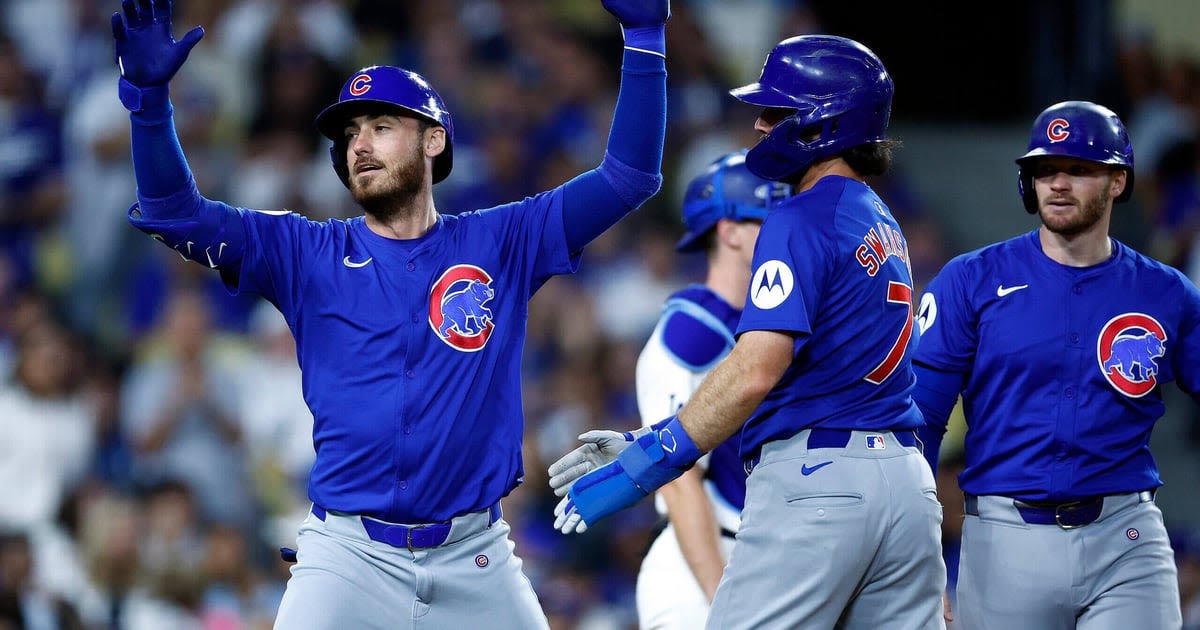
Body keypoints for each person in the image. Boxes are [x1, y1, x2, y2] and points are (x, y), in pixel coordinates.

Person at [109, 0, 670, 628]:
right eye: (350, 134)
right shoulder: (306, 252)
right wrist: (148, 104)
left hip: (475, 554)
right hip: (347, 555)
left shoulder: (503, 240)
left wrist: (645, 38)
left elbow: (629, 176)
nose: (359, 145)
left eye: (380, 125)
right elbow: (175, 212)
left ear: (434, 139)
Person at [548, 35, 946, 629]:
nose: (760, 124)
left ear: (823, 123)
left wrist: (651, 457)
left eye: (778, 111)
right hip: (906, 485)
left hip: (819, 484)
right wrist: (648, 436)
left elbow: (756, 369)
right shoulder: (881, 220)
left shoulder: (797, 215)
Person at [910, 100, 1199, 629]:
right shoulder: (969, 280)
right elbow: (920, 424)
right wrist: (918, 552)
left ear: (1117, 181)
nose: (1058, 184)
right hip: (1005, 539)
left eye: (1078, 170)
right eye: (1045, 170)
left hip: (1127, 536)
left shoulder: (1166, 292)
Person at [551, 151, 787, 628]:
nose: (786, 231)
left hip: (769, 558)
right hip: (706, 559)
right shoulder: (690, 332)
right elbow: (682, 486)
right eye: (769, 217)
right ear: (729, 230)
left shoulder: (773, 326)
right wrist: (724, 602)